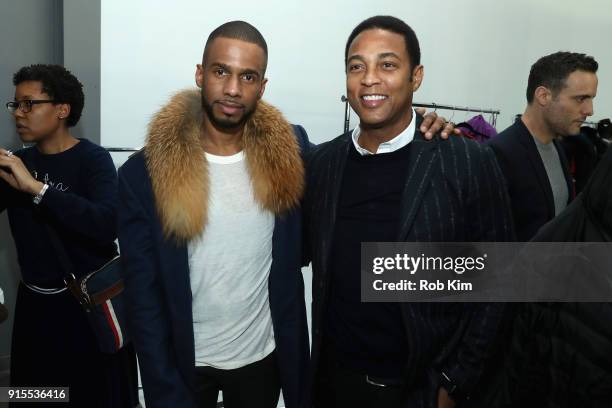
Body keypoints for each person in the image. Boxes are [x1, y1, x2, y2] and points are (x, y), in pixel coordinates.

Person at [117, 20, 451, 408]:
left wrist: (421, 127)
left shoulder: (292, 150)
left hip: (264, 357)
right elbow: (143, 296)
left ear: (262, 86)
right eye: (220, 71)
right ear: (200, 73)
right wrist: (162, 386)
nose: (232, 89)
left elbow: (362, 163)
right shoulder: (143, 176)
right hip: (186, 361)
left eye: (248, 76)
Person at [303, 16, 514, 408]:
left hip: (420, 389)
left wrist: (456, 382)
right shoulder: (324, 163)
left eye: (387, 64)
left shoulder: (466, 161)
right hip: (334, 383)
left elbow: (499, 281)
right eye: (356, 66)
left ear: (415, 77)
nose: (369, 79)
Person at [0, 64, 137, 407]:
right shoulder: (14, 163)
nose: (19, 113)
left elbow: (105, 224)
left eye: (30, 104)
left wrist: (36, 188)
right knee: (32, 397)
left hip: (87, 308)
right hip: (35, 310)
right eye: (16, 104)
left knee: (95, 397)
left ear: (62, 109)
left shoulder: (93, 159)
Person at [487, 52, 598, 241]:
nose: (589, 110)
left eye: (591, 99)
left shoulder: (559, 147)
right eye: (580, 99)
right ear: (543, 96)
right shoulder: (497, 154)